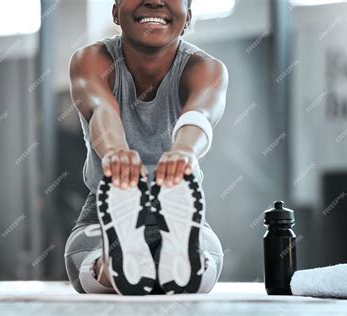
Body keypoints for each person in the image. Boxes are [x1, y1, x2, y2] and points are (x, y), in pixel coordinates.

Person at [64, 0, 229, 295]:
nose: (154, 1)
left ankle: (113, 267)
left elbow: (200, 114)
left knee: (87, 269)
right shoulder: (91, 60)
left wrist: (183, 152)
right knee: (83, 262)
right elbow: (102, 109)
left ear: (188, 17)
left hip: (178, 202)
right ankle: (114, 263)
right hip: (110, 202)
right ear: (115, 12)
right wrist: (115, 152)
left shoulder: (205, 68)